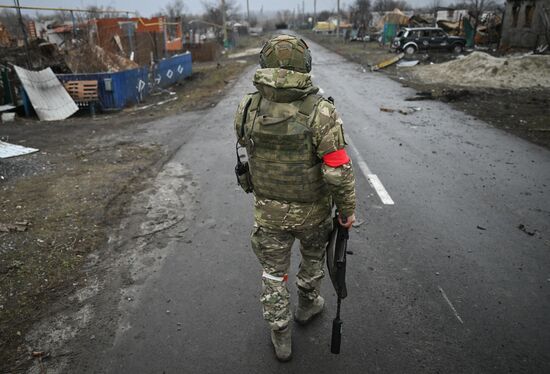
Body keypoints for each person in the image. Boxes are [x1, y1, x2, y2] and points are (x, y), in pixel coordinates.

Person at [233, 34, 356, 362]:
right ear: (306, 64)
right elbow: (337, 169)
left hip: (269, 212)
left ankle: (280, 334)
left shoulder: (247, 105)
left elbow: (244, 144)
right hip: (313, 212)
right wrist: (347, 211)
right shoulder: (321, 110)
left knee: (273, 273)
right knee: (313, 259)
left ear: (264, 62)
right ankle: (306, 306)